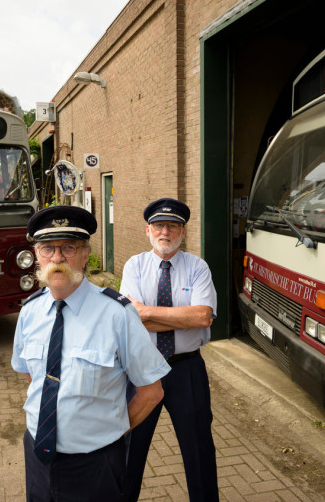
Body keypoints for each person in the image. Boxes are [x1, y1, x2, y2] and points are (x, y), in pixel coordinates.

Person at [11, 205, 170, 501]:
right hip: (37, 454)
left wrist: (113, 432)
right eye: (48, 248)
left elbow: (152, 392)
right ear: (36, 255)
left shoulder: (117, 314)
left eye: (68, 247)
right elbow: (35, 377)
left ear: (85, 255)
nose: (57, 258)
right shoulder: (30, 311)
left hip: (95, 463)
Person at [120, 198, 219, 502]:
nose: (165, 231)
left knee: (199, 450)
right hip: (142, 370)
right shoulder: (134, 265)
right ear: (147, 231)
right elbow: (131, 321)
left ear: (183, 232)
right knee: (129, 450)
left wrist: (147, 314)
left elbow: (202, 316)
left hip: (186, 369)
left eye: (173, 226)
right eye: (159, 225)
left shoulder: (197, 268)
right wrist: (181, 317)